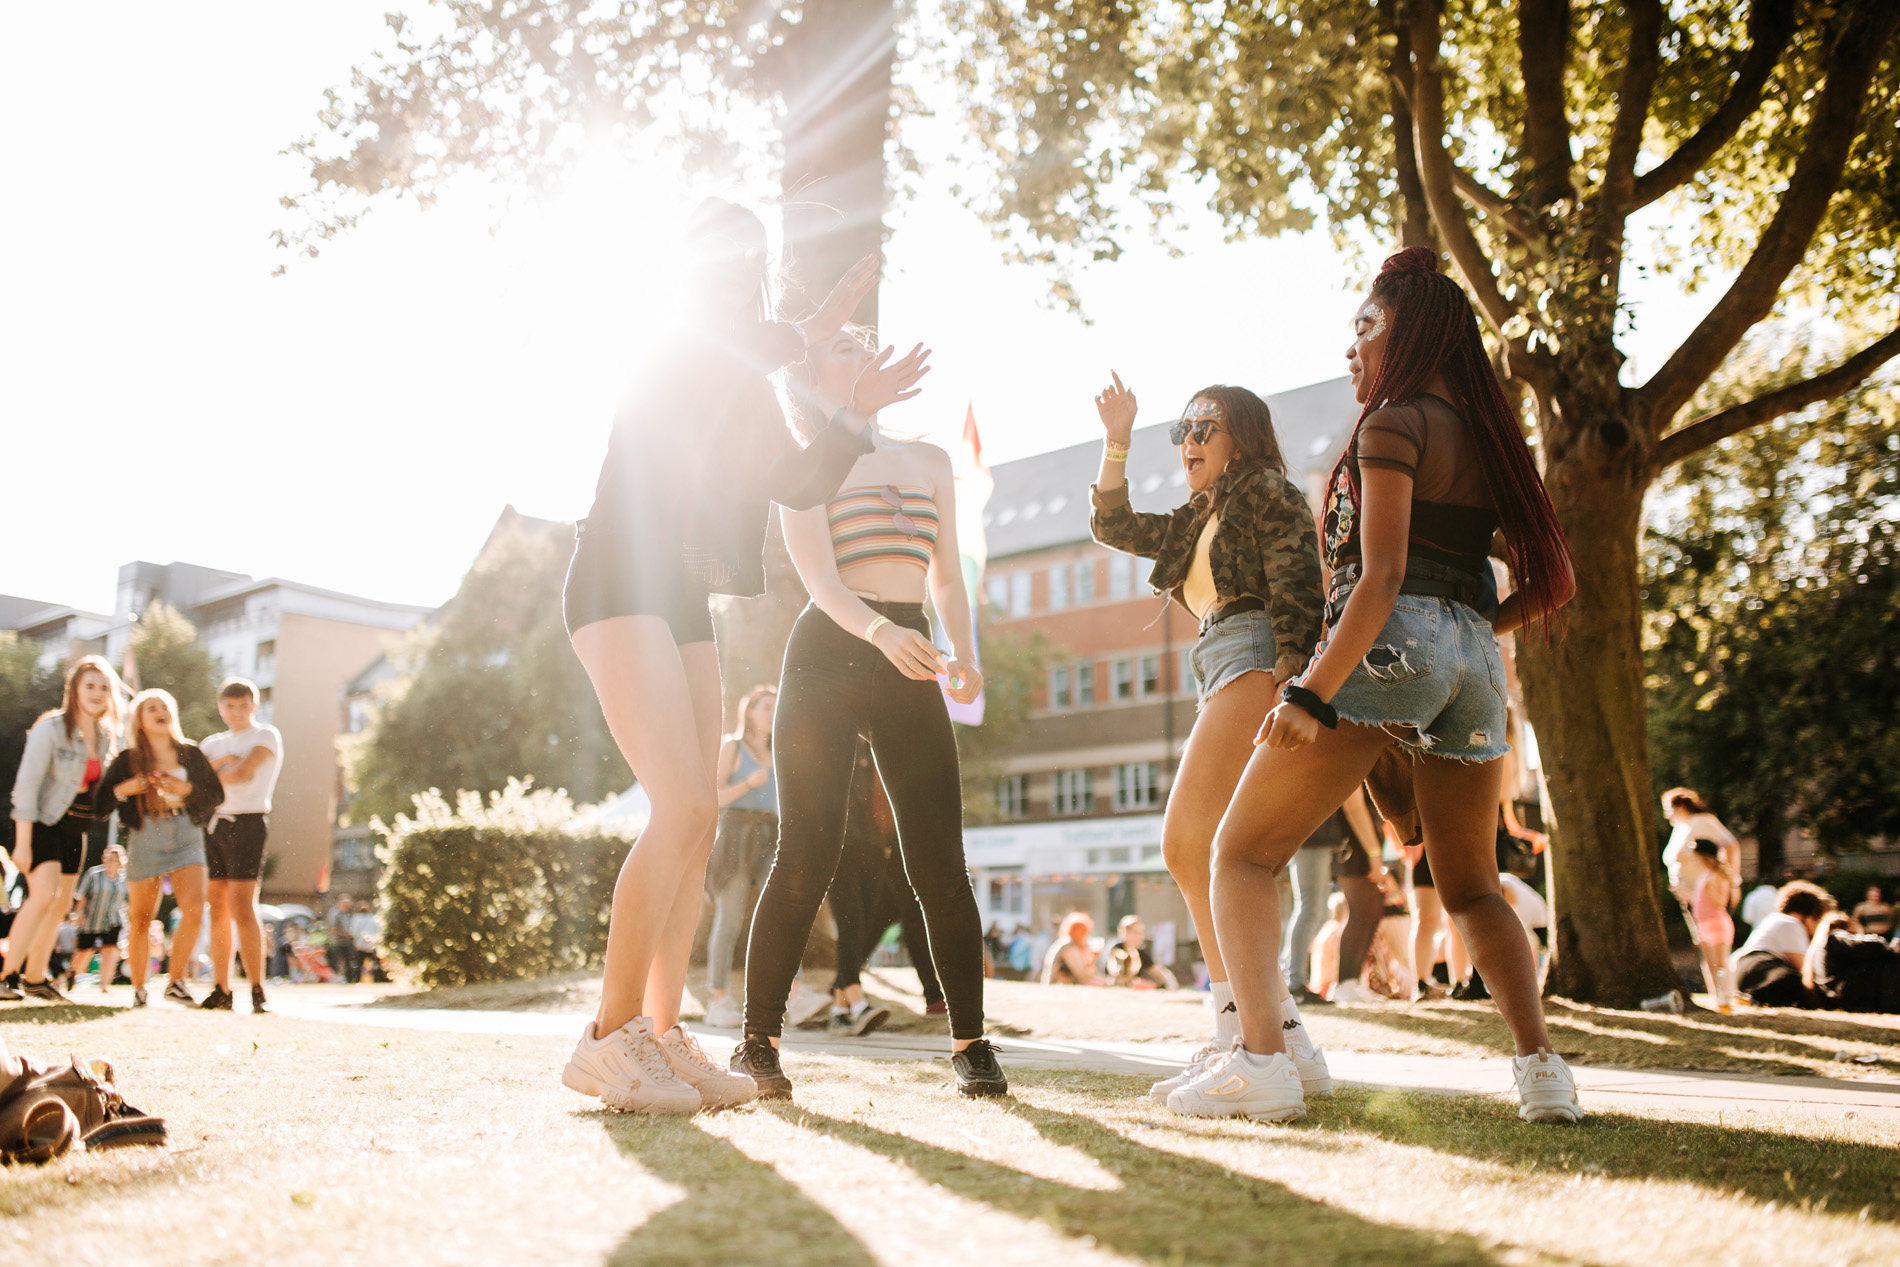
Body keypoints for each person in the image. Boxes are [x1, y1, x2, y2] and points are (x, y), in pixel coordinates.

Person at [1180, 247, 1583, 1126]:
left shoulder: (1392, 424)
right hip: (1476, 665)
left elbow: (1382, 573)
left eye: (1365, 326)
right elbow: (1552, 581)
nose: (1352, 347)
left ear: (1416, 330)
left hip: (1384, 647)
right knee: (1473, 884)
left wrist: (1312, 693)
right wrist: (1468, 637)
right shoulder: (1489, 442)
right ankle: (1542, 1072)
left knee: (1239, 856)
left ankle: (1262, 1063)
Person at [560, 199, 918, 1116]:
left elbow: (796, 480)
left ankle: (660, 1030)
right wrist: (819, 332)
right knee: (680, 805)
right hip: (616, 580)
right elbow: (744, 347)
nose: (734, 274)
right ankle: (607, 1041)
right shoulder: (678, 346)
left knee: (700, 822)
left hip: (677, 595)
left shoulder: (746, 379)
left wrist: (852, 411)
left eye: (746, 260)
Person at [734, 319, 1004, 1101]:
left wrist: (966, 648)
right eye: (841, 349)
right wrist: (883, 633)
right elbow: (820, 581)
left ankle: (971, 1044)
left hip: (910, 649)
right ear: (814, 375)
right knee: (806, 849)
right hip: (830, 651)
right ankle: (758, 1042)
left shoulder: (929, 461)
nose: (862, 351)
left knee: (938, 860)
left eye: (864, 343)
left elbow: (947, 578)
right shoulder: (805, 464)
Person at [1086, 373, 1333, 1107]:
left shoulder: (1266, 491)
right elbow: (1112, 524)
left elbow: (1301, 588)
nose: (1189, 440)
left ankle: (1245, 1033)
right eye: (1183, 429)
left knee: (1191, 843)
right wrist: (1118, 440)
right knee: (1211, 851)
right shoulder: (1202, 514)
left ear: (1243, 437)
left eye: (1205, 426)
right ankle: (1278, 1036)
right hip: (1220, 661)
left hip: (1256, 656)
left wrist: (1294, 681)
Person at [5, 655, 123, 1003]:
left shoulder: (103, 737)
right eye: (89, 686)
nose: (97, 693)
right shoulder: (51, 728)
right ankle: (5, 974)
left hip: (77, 827)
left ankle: (36, 978)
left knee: (59, 906)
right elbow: (25, 788)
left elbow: (97, 791)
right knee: (42, 896)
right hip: (44, 823)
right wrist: (23, 844)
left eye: (104, 687)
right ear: (74, 689)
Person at [98, 688, 225, 1008]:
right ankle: (140, 989)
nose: (160, 710)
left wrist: (187, 789)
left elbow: (215, 795)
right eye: (151, 707)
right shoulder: (128, 759)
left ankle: (176, 981)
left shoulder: (191, 753)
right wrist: (125, 788)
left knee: (195, 910)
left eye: (165, 705)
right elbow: (100, 803)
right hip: (146, 835)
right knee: (141, 919)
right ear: (139, 719)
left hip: (186, 833)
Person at [198, 678, 283, 1013]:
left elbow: (245, 773)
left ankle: (257, 990)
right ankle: (221, 989)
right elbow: (196, 783)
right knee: (216, 906)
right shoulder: (213, 742)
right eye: (229, 706)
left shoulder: (265, 735)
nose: (235, 712)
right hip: (216, 824)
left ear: (254, 706)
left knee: (242, 905)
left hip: (248, 823)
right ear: (221, 708)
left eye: (242, 705)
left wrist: (214, 773)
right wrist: (221, 766)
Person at [702, 685, 779, 1030]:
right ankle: (718, 998)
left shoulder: (783, 751)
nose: (771, 714)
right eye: (765, 707)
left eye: (776, 708)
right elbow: (712, 797)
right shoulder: (732, 747)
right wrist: (748, 784)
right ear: (749, 711)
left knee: (782, 912)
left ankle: (797, 991)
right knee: (729, 918)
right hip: (736, 836)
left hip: (773, 837)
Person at [1731, 881, 1833, 1008]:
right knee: (1793, 983)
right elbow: (1803, 969)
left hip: (1742, 969)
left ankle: (1752, 997)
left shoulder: (1775, 919)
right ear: (1808, 915)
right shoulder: (1792, 924)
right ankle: (1755, 998)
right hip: (1759, 965)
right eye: (1816, 920)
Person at [1684, 841, 1735, 1011]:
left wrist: (1710, 890)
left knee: (1720, 963)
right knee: (1708, 963)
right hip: (1703, 925)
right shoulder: (1703, 877)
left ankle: (1725, 998)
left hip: (1717, 925)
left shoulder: (1718, 876)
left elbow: (1721, 902)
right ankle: (1715, 996)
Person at [72, 845, 129, 992]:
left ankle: (105, 984)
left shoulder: (124, 878)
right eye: (108, 858)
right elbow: (82, 896)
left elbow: (127, 900)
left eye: (114, 859)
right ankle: (72, 977)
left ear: (120, 861)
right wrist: (79, 914)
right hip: (92, 918)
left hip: (113, 919)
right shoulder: (94, 874)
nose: (110, 861)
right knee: (84, 950)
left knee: (110, 950)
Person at [1105, 915, 1177, 989]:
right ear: (1124, 932)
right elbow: (1115, 972)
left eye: (1142, 932)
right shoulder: (1116, 948)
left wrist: (1166, 983)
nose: (1140, 936)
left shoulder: (1141, 951)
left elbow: (1158, 971)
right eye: (1135, 932)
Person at [1041, 912, 1100, 985]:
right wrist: (1105, 980)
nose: (1086, 935)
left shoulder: (1068, 943)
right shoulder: (1069, 947)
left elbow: (1086, 970)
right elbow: (1082, 973)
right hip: (1057, 986)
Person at [326, 896, 357, 984]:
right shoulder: (335, 914)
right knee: (335, 961)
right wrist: (345, 934)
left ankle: (347, 978)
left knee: (347, 961)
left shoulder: (346, 914)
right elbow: (332, 929)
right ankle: (333, 978)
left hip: (346, 942)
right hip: (337, 942)